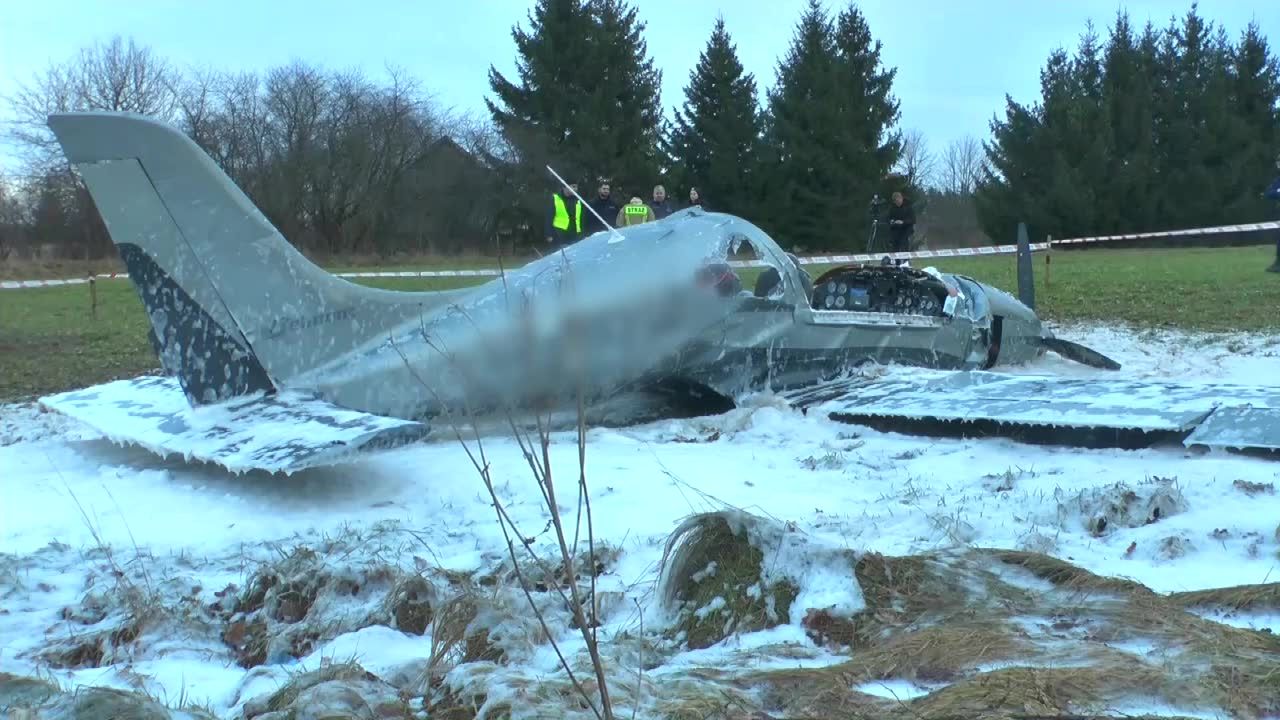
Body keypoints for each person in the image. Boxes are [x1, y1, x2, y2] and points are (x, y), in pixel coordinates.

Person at [546, 182, 582, 249]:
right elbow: (549, 217)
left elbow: (581, 218)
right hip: (559, 234)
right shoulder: (556, 198)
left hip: (575, 235)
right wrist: (549, 234)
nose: (576, 189)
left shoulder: (578, 200)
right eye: (573, 186)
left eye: (576, 187)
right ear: (565, 186)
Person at [1265, 157, 1280, 273]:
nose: (1278, 164)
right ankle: (1278, 264)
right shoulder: (1278, 180)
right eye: (1278, 162)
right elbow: (1268, 193)